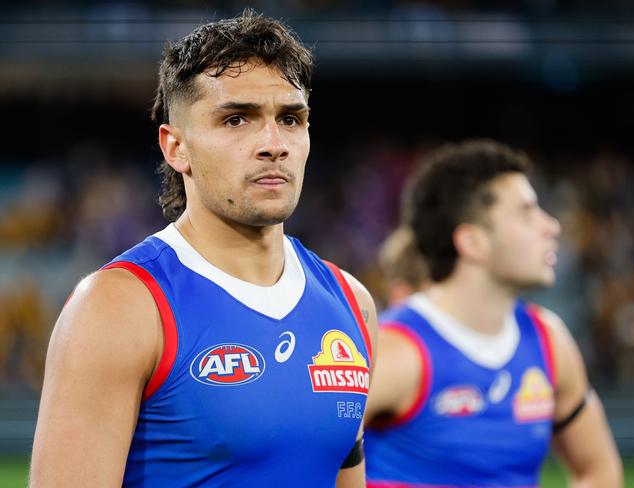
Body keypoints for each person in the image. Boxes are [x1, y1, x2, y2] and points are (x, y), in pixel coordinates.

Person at [30, 10, 377, 487]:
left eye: (291, 119)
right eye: (237, 119)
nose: (273, 144)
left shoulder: (351, 302)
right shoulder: (118, 307)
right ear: (176, 148)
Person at [364, 140, 622, 487]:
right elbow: (301, 462)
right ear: (472, 242)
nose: (551, 226)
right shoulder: (398, 352)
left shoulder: (548, 340)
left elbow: (599, 471)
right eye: (527, 212)